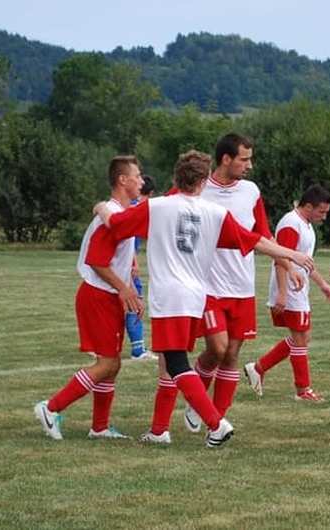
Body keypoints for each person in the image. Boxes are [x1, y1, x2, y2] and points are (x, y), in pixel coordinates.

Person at [94, 150, 315, 447]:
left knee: (174, 363)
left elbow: (117, 224)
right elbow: (253, 240)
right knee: (177, 361)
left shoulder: (157, 206)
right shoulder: (215, 213)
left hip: (169, 296)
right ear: (202, 182)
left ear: (176, 177)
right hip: (196, 296)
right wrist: (292, 254)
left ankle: (215, 423)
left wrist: (100, 208)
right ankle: (160, 431)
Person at [183, 133, 304, 433]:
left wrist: (288, 265)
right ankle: (197, 400)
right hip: (208, 286)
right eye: (244, 159)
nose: (249, 165)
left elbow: (262, 235)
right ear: (226, 159)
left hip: (241, 287)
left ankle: (216, 419)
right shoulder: (199, 188)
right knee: (217, 348)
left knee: (232, 354)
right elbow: (167, 211)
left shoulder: (250, 191)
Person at [33, 156, 145, 441]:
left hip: (106, 295)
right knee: (107, 363)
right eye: (137, 176)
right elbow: (97, 260)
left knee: (112, 363)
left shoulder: (118, 211)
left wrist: (127, 286)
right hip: (98, 295)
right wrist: (124, 288)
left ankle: (100, 427)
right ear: (123, 180)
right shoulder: (112, 214)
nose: (141, 181)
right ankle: (51, 407)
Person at [243, 184, 330, 402]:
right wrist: (282, 295)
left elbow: (303, 261)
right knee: (300, 338)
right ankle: (302, 390)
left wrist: (322, 283)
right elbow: (280, 259)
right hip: (290, 291)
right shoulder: (291, 224)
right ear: (308, 206)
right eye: (321, 212)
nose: (324, 217)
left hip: (299, 290)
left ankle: (258, 367)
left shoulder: (306, 225)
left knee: (303, 336)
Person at [126, 175, 157, 360]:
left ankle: (97, 346)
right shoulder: (138, 207)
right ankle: (138, 349)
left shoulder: (129, 205)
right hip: (126, 264)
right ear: (150, 194)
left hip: (122, 262)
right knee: (135, 302)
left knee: (121, 305)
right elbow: (126, 238)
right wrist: (134, 261)